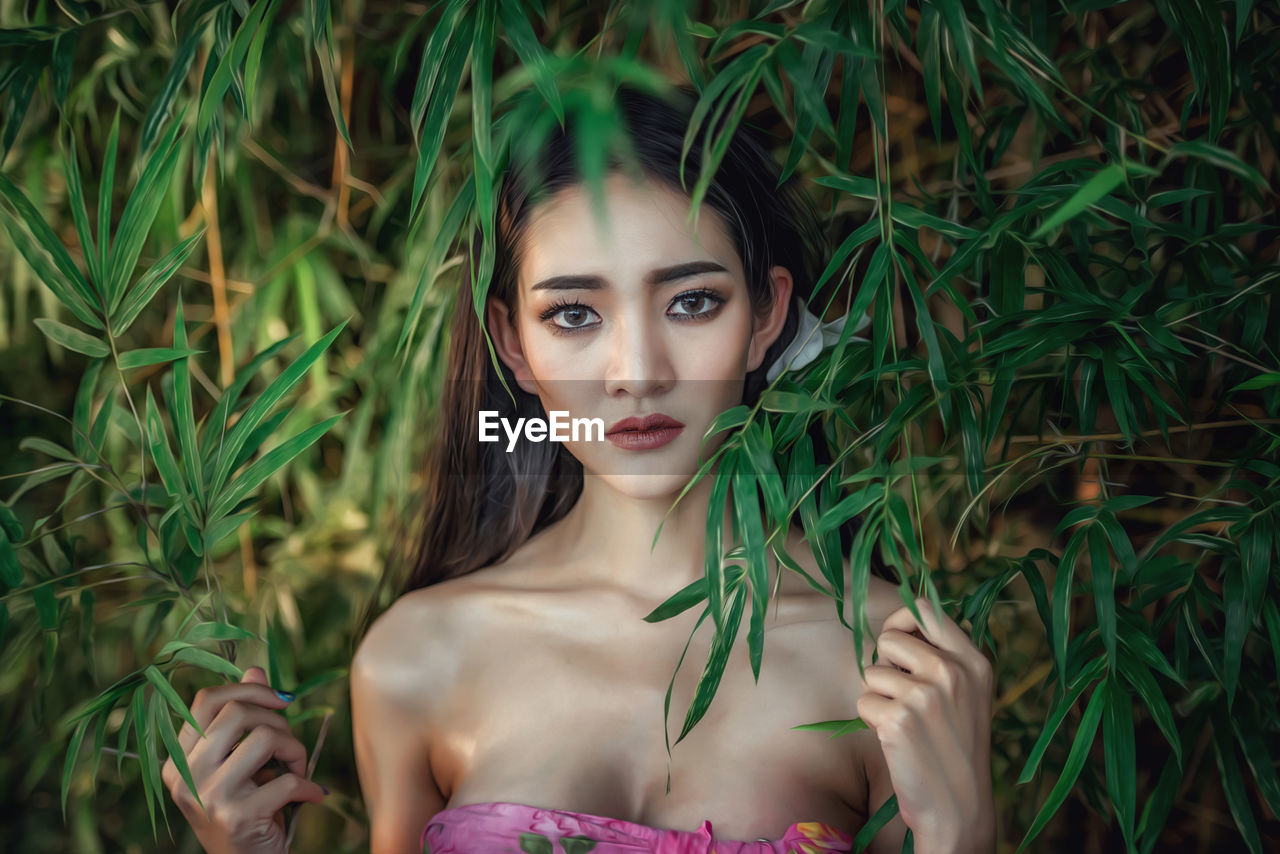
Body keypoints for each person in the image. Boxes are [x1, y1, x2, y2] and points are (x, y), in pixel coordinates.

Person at [162, 85, 995, 854]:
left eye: (692, 301)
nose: (636, 371)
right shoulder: (418, 657)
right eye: (573, 314)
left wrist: (963, 833)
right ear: (515, 345)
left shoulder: (885, 668)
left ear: (767, 314)